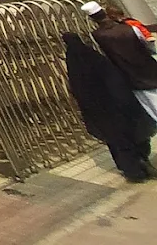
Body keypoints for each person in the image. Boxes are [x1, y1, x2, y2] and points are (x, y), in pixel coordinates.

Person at [62, 32, 155, 183]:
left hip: (99, 112)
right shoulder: (95, 59)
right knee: (133, 134)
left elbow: (78, 91)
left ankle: (132, 171)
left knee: (116, 141)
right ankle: (141, 162)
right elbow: (114, 81)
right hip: (116, 106)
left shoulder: (74, 66)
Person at [85, 1, 157, 124]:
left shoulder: (97, 35)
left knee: (150, 104)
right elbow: (148, 45)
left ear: (92, 19)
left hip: (129, 74)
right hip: (149, 67)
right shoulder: (129, 27)